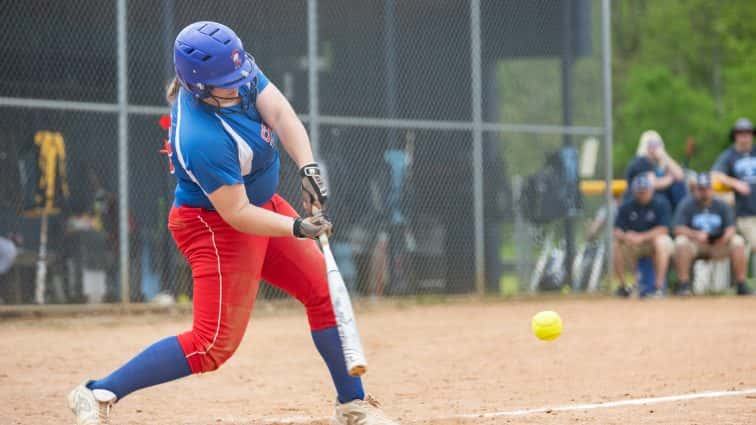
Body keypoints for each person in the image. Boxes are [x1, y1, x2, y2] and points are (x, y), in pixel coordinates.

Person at [67, 21, 398, 425]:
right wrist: (297, 228)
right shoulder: (201, 136)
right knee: (211, 346)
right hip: (215, 226)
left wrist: (307, 168)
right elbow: (236, 213)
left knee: (323, 291)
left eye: (241, 74)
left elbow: (278, 111)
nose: (241, 84)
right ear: (199, 87)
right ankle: (97, 391)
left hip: (262, 206)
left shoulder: (234, 72)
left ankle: (352, 405)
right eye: (228, 81)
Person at [673, 172, 750, 295]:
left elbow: (731, 228)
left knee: (738, 241)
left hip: (720, 244)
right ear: (696, 189)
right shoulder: (687, 204)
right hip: (696, 245)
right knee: (680, 242)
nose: (704, 192)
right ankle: (684, 285)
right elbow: (678, 229)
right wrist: (695, 235)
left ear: (712, 189)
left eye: (707, 188)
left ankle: (741, 284)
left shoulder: (722, 204)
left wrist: (724, 238)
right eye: (701, 189)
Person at [613, 175, 674, 297]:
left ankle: (659, 287)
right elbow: (616, 230)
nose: (642, 194)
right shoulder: (627, 206)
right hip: (633, 243)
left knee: (661, 242)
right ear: (634, 191)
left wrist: (642, 237)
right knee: (616, 246)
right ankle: (625, 287)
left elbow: (664, 229)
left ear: (651, 190)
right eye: (639, 191)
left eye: (645, 191)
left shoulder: (660, 203)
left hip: (653, 242)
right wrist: (626, 236)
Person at [712, 118, 756, 276]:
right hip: (745, 213)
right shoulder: (729, 156)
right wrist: (735, 184)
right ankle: (742, 283)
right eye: (741, 133)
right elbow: (715, 174)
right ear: (735, 136)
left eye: (748, 133)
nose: (745, 136)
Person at [624, 130, 687, 210]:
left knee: (678, 185)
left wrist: (664, 156)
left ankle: (680, 215)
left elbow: (680, 176)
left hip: (659, 200)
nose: (655, 148)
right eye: (651, 144)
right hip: (638, 199)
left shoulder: (661, 161)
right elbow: (651, 184)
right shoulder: (640, 161)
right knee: (662, 197)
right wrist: (670, 178)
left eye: (657, 144)